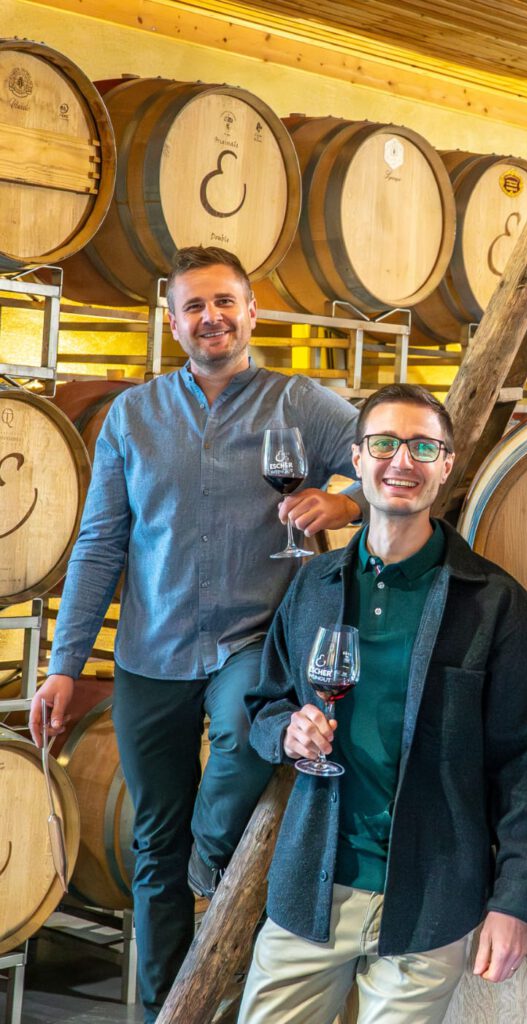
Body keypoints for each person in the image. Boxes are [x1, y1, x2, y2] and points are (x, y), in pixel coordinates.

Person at [29, 246, 363, 1023]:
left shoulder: (302, 403)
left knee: (247, 743)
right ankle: (164, 1009)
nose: (210, 317)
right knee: (152, 846)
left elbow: (381, 461)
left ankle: (209, 861)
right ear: (173, 321)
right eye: (194, 307)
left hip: (254, 642)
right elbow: (100, 543)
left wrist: (343, 505)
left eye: (224, 302)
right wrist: (63, 666)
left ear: (251, 312)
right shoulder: (133, 416)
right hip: (152, 652)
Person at [237, 383, 527, 1024]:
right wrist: (287, 732)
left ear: (446, 466)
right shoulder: (314, 584)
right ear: (356, 461)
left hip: (429, 895)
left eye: (423, 447)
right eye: (384, 443)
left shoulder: (494, 603)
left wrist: (515, 900)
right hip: (314, 886)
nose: (402, 462)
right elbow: (264, 704)